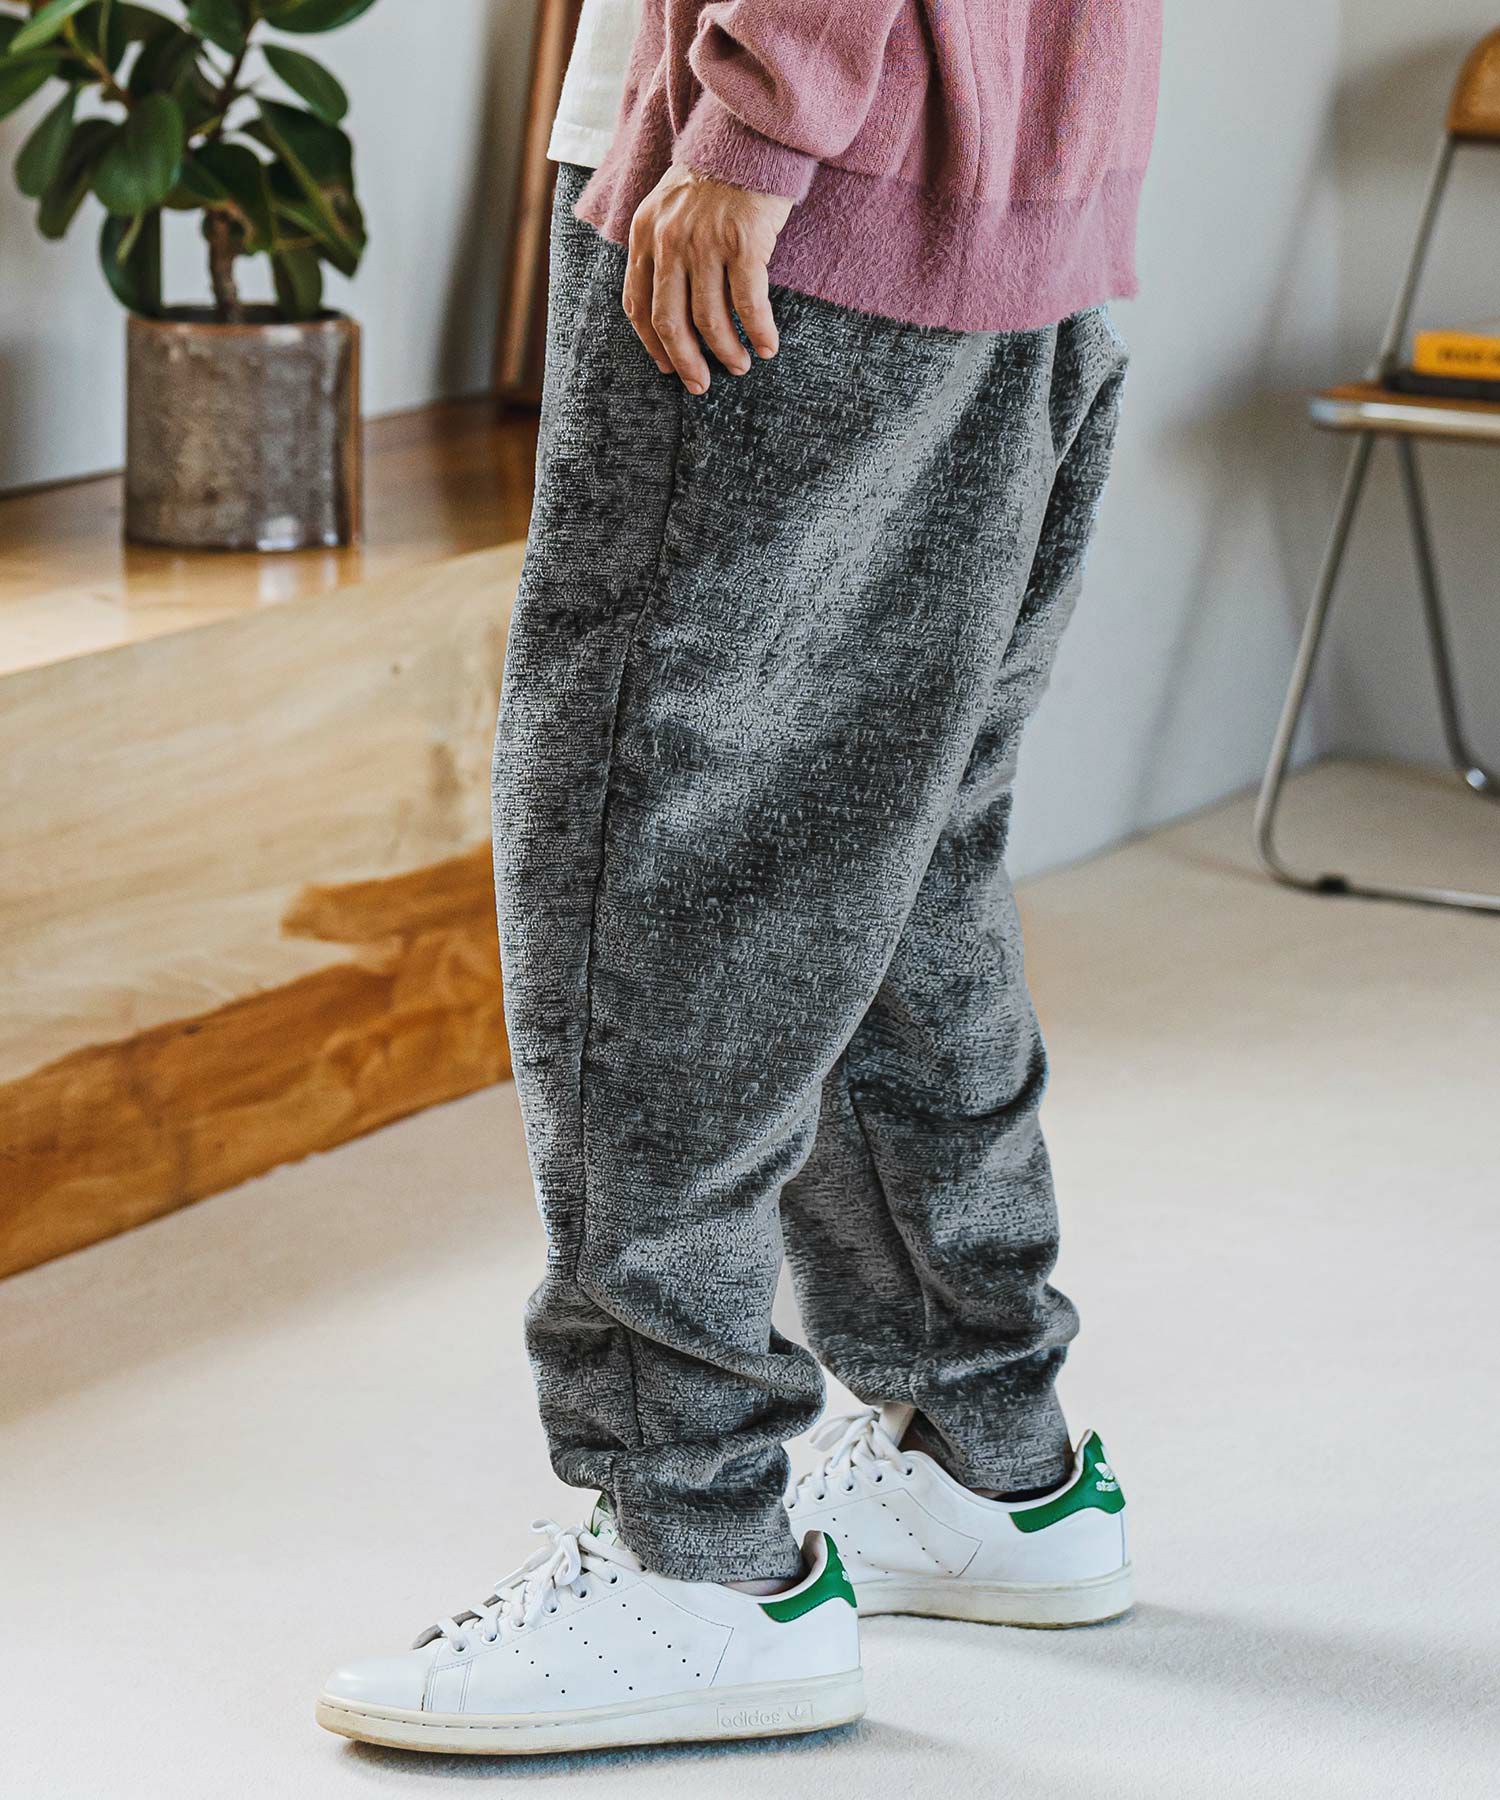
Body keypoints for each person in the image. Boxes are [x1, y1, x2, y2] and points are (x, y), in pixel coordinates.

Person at [317, 0, 1161, 1757]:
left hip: (792, 192)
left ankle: (689, 1551)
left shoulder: (767, 141)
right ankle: (986, 1453)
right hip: (1010, 177)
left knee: (653, 865)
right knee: (896, 853)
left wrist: (759, 122)